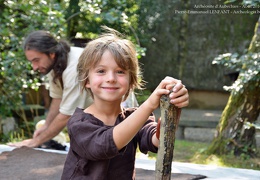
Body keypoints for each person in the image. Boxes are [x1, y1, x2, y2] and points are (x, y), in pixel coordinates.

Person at [61, 27, 189, 179]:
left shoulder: (134, 118)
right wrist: (148, 105)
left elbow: (154, 140)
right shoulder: (79, 124)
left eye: (120, 71)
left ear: (131, 80)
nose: (111, 78)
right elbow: (104, 145)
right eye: (101, 71)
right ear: (87, 80)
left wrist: (172, 106)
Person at [8, 30, 138, 149]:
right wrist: (45, 127)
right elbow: (58, 100)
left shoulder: (74, 69)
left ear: (51, 54)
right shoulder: (54, 66)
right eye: (31, 62)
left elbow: (67, 115)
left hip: (119, 106)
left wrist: (35, 142)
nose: (34, 67)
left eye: (36, 60)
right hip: (100, 111)